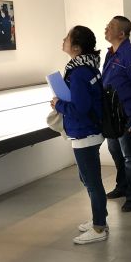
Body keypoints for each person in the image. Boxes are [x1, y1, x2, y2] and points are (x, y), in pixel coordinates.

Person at [52, 26, 108, 245]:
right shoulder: (89, 67)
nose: (63, 40)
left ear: (76, 47)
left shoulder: (77, 73)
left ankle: (99, 227)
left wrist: (58, 105)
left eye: (67, 38)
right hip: (90, 130)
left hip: (84, 132)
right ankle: (99, 218)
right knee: (88, 178)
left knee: (92, 181)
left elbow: (80, 108)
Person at [102, 16, 131, 211]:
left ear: (121, 33)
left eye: (111, 26)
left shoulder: (129, 54)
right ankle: (122, 185)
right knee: (116, 152)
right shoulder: (111, 53)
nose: (106, 28)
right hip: (113, 116)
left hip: (127, 114)